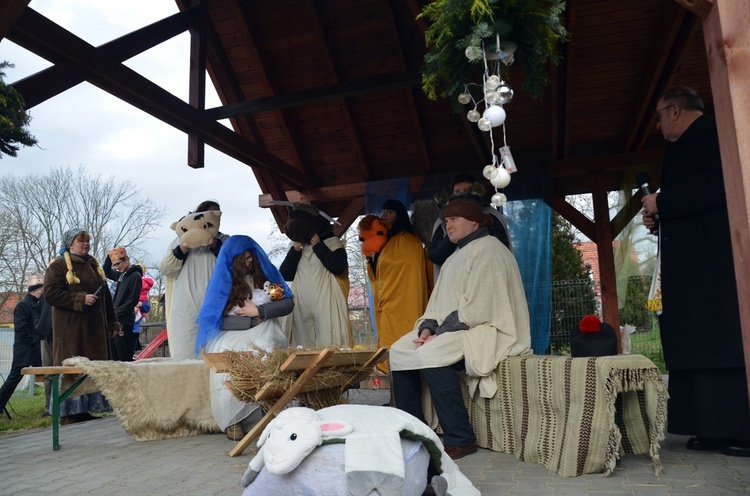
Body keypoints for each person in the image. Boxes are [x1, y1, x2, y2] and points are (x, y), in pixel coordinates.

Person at [641, 87, 750, 457]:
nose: (657, 125)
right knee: (693, 342)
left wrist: (663, 201)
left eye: (657, 117)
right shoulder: (681, 146)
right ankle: (708, 426)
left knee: (718, 339)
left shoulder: (711, 135)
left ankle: (738, 429)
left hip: (712, 263)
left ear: (674, 111)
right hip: (690, 263)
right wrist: (661, 216)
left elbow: (716, 185)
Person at [390, 198, 531, 459]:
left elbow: (480, 309)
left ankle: (461, 438)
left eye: (454, 219)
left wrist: (437, 335)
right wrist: (426, 330)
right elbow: (436, 306)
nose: (448, 224)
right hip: (452, 329)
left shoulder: (489, 249)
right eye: (446, 220)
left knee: (430, 354)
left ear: (473, 221)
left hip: (486, 329)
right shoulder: (455, 256)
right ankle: (415, 430)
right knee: (399, 352)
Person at [196, 235, 294, 440]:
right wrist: (248, 321)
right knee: (226, 358)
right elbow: (216, 320)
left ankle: (268, 411)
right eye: (245, 258)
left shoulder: (265, 282)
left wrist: (259, 311)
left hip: (264, 329)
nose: (250, 261)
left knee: (266, 349)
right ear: (234, 260)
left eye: (252, 257)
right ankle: (233, 419)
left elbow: (288, 304)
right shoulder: (222, 286)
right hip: (232, 334)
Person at [44, 228, 120, 425]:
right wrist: (80, 299)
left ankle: (85, 409)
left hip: (95, 332)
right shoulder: (59, 267)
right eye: (81, 241)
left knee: (91, 369)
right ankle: (69, 414)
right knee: (74, 369)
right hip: (72, 332)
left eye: (87, 241)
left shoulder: (94, 266)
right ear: (70, 245)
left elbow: (106, 298)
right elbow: (50, 294)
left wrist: (112, 322)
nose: (85, 244)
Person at [159, 200, 228, 360]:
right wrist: (183, 248)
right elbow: (167, 269)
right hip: (186, 309)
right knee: (186, 354)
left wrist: (215, 246)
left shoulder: (224, 240)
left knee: (216, 354)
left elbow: (234, 267)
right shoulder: (179, 241)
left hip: (217, 307)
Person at [279, 203, 350, 347]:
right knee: (302, 343)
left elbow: (338, 267)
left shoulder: (332, 242)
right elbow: (285, 274)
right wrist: (295, 250)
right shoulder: (295, 246)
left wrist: (318, 245)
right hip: (301, 300)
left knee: (329, 339)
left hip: (326, 298)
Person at [367, 199, 429, 357]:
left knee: (405, 337)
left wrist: (381, 258)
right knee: (389, 341)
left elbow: (406, 265)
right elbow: (382, 269)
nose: (384, 215)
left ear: (399, 215)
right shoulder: (388, 239)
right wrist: (375, 259)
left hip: (405, 299)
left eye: (389, 211)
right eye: (383, 211)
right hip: (389, 301)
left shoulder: (408, 239)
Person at [428, 174, 513, 278]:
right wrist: (455, 234)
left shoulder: (490, 215)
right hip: (453, 278)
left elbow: (501, 246)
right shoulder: (442, 221)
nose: (462, 195)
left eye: (467, 191)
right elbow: (435, 255)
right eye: (457, 192)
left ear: (476, 192)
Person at [0, 273, 44, 414]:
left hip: (35, 349)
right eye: (42, 291)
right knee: (13, 379)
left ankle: (52, 405)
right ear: (36, 291)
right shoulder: (23, 306)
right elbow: (21, 329)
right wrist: (35, 341)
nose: (43, 294)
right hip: (25, 350)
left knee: (50, 375)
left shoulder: (36, 305)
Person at [103, 247, 142, 361]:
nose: (117, 267)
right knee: (114, 355)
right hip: (117, 320)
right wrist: (109, 256)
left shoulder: (135, 276)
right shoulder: (122, 275)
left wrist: (116, 313)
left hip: (125, 320)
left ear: (126, 260)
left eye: (118, 264)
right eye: (115, 265)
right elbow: (106, 271)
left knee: (123, 355)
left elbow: (132, 300)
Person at [36, 290, 53, 416]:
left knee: (63, 374)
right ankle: (48, 407)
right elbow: (37, 311)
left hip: (60, 338)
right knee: (48, 374)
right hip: (45, 337)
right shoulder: (45, 294)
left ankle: (61, 406)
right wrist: (38, 325)